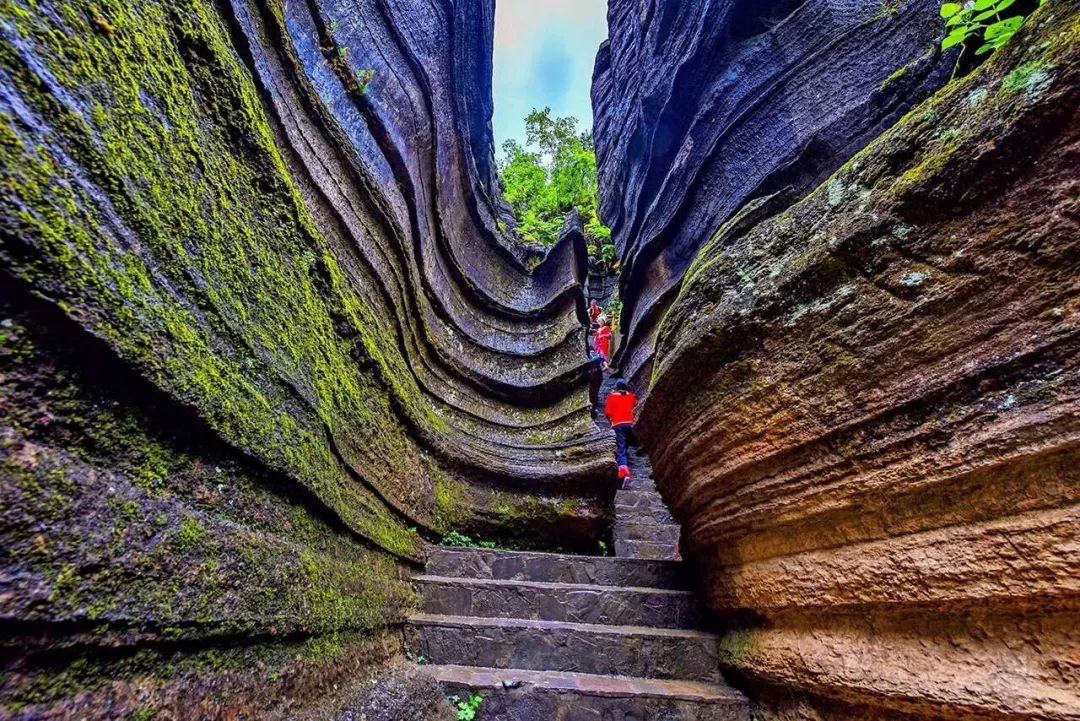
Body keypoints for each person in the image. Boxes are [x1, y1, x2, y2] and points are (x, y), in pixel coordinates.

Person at [604, 379, 636, 482]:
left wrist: (611, 422)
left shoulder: (612, 398)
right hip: (630, 424)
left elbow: (608, 413)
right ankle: (625, 465)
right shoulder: (631, 396)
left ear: (616, 387)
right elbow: (636, 404)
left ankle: (623, 472)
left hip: (618, 424)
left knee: (621, 448)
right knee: (625, 446)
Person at [587, 352, 604, 419]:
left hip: (595, 379)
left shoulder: (593, 366)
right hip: (598, 378)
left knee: (593, 393)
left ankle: (593, 408)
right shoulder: (597, 364)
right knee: (595, 392)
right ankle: (594, 403)